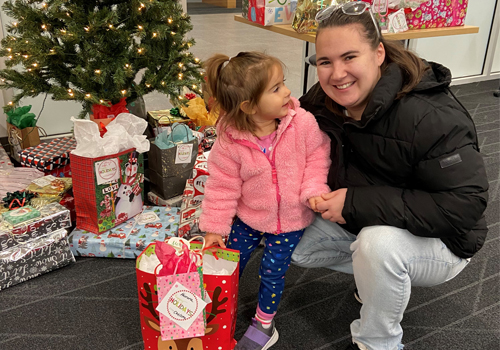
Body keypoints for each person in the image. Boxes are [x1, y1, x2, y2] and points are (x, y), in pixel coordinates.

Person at [290, 2, 489, 350]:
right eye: (325, 61)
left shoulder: (430, 116)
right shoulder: (321, 101)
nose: (337, 74)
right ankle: (378, 282)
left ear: (378, 52)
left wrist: (355, 203)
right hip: (370, 216)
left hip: (445, 240)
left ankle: (378, 341)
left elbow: (465, 205)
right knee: (284, 229)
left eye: (350, 57)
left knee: (378, 247)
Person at [200, 51, 332, 350]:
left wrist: (312, 188)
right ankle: (219, 310)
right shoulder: (230, 143)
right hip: (249, 217)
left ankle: (264, 321)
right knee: (229, 262)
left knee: (273, 270)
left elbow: (318, 156)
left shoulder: (302, 123)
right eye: (275, 88)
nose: (287, 92)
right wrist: (214, 229)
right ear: (248, 106)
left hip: (291, 218)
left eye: (283, 83)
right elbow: (221, 188)